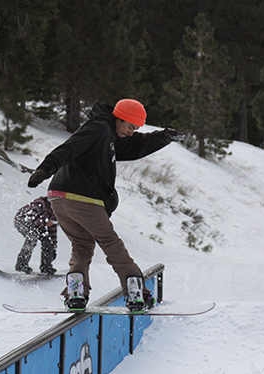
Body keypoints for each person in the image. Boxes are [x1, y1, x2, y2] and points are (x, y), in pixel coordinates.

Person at [27, 98, 183, 311]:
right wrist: (46, 168)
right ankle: (135, 291)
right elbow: (69, 147)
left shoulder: (108, 134)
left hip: (58, 197)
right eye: (130, 127)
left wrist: (162, 137)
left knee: (82, 245)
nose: (131, 132)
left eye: (135, 129)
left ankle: (76, 292)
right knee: (110, 242)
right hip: (81, 197)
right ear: (119, 118)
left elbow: (135, 145)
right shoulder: (99, 128)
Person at [14, 197, 58, 275]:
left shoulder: (57, 214)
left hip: (39, 224)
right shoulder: (41, 203)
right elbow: (29, 218)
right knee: (32, 238)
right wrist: (45, 222)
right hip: (22, 221)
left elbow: (52, 233)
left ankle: (46, 267)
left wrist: (53, 248)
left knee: (47, 241)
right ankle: (21, 264)